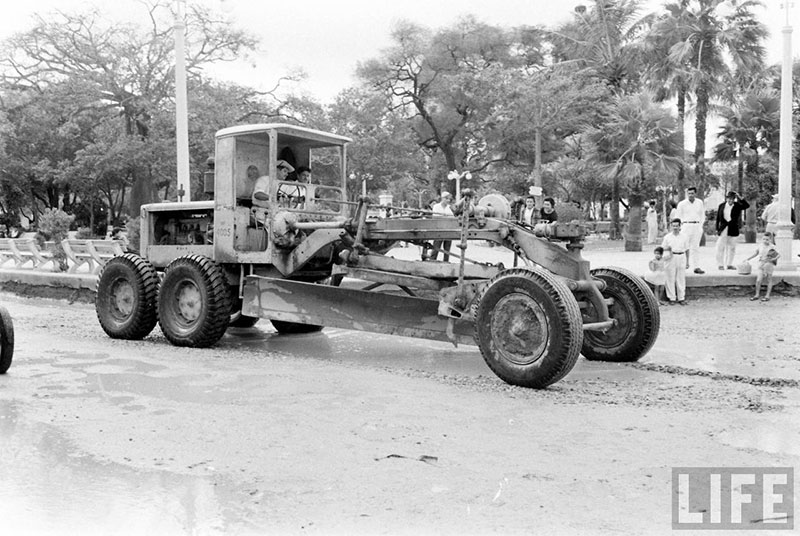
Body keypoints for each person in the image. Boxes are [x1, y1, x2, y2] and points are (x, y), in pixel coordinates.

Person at [674, 186, 706, 274]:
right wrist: (679, 228)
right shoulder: (682, 204)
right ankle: (682, 266)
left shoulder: (699, 202)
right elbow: (677, 216)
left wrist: (700, 226)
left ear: (695, 193)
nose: (690, 195)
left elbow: (702, 215)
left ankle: (696, 267)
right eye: (689, 193)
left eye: (692, 193)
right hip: (686, 226)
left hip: (696, 226)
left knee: (695, 248)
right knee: (684, 247)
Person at [715, 191, 749, 270]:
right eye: (729, 199)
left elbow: (746, 206)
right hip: (723, 227)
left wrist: (741, 198)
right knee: (720, 246)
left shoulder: (737, 206)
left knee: (732, 247)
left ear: (734, 199)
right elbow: (717, 218)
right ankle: (720, 264)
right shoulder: (721, 206)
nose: (730, 201)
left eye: (732, 199)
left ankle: (729, 264)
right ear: (726, 198)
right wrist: (717, 228)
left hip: (733, 228)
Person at [661, 218, 689, 305]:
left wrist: (688, 261)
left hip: (681, 256)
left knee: (680, 278)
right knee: (670, 278)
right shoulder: (667, 237)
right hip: (671, 257)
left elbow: (687, 249)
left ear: (680, 226)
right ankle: (672, 298)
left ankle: (681, 298)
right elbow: (662, 249)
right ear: (671, 226)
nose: (675, 228)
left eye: (677, 226)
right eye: (673, 226)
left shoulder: (684, 236)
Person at [744, 232, 780, 302]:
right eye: (764, 239)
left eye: (767, 239)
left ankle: (767, 295)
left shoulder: (772, 247)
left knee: (769, 279)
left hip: (769, 264)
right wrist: (748, 258)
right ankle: (757, 294)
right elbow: (756, 253)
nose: (765, 241)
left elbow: (778, 255)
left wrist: (773, 259)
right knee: (758, 280)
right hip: (761, 263)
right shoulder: (760, 246)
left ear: (770, 240)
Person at [431, 192, 454, 262]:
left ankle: (446, 262)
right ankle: (432, 260)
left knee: (447, 249)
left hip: (448, 230)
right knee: (436, 247)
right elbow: (435, 217)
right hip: (439, 230)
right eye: (446, 199)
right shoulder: (436, 207)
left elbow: (452, 218)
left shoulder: (449, 208)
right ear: (442, 199)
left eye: (449, 199)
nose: (448, 200)